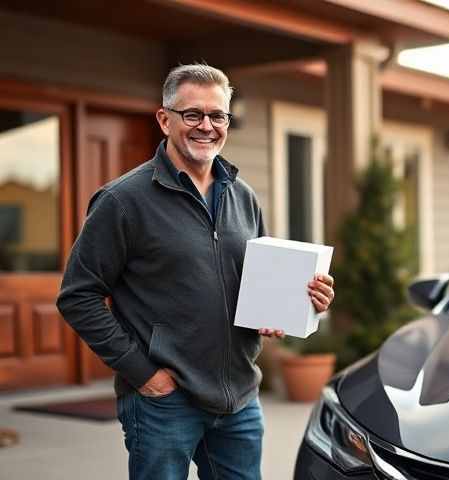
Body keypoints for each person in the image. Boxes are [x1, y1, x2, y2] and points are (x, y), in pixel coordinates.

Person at [56, 63, 335, 480]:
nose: (207, 126)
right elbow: (77, 296)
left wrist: (298, 302)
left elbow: (257, 283)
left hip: (239, 398)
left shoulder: (242, 196)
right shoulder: (123, 201)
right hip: (163, 402)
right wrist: (143, 373)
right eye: (193, 114)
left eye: (217, 115)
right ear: (164, 119)